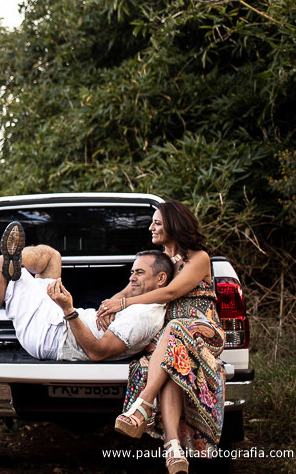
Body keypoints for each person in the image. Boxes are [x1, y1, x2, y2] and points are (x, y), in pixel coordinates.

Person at [96, 200, 225, 474]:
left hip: (203, 331)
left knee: (175, 329)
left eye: (157, 222)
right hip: (171, 339)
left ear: (174, 224)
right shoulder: (162, 261)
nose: (150, 227)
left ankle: (142, 405)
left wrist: (126, 305)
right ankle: (174, 450)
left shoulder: (198, 258)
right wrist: (109, 304)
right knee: (168, 363)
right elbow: (130, 289)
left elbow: (170, 293)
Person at [0, 221, 174, 364]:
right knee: (52, 256)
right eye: (132, 271)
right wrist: (113, 303)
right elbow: (127, 291)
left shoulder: (143, 316)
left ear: (161, 279)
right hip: (54, 321)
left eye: (139, 273)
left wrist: (69, 310)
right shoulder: (145, 299)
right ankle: (18, 260)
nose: (132, 277)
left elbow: (97, 353)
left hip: (51, 335)